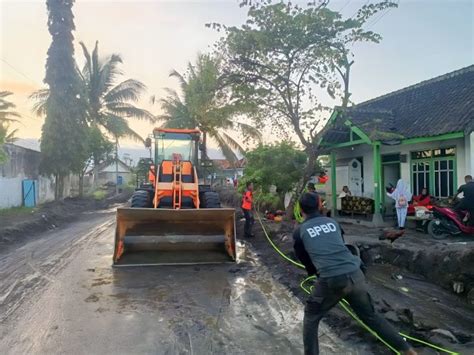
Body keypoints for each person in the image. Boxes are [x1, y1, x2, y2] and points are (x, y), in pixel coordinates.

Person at [293, 192, 417, 355]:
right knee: (371, 317)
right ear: (319, 206)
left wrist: (316, 274)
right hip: (355, 274)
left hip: (331, 280)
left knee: (311, 317)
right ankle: (408, 351)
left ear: (301, 209)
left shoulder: (300, 231)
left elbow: (305, 259)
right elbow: (341, 246)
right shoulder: (333, 223)